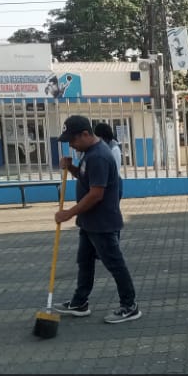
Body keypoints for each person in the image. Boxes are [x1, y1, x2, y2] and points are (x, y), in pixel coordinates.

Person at [54, 115, 141, 324]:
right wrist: (72, 168)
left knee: (115, 264)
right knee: (84, 261)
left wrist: (69, 213)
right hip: (89, 222)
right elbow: (87, 178)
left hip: (102, 223)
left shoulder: (99, 156)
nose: (71, 145)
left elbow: (96, 194)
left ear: (85, 134)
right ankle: (80, 302)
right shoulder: (89, 153)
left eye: (72, 140)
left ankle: (130, 305)